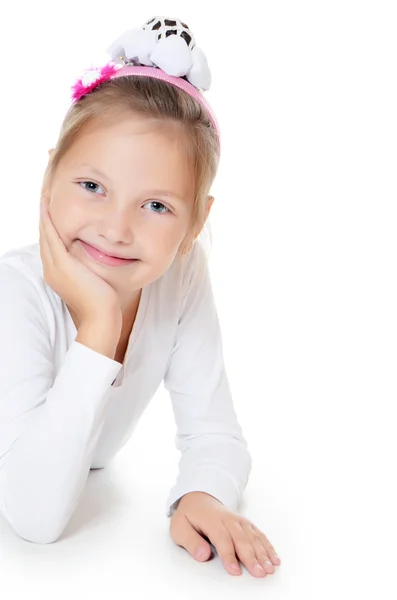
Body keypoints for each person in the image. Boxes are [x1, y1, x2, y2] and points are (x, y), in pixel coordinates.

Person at [0, 16, 280, 578]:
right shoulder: (14, 291)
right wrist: (100, 326)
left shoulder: (179, 273)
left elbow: (215, 432)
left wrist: (200, 493)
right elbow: (33, 517)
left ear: (197, 221)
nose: (115, 229)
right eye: (91, 187)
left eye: (157, 206)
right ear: (48, 178)